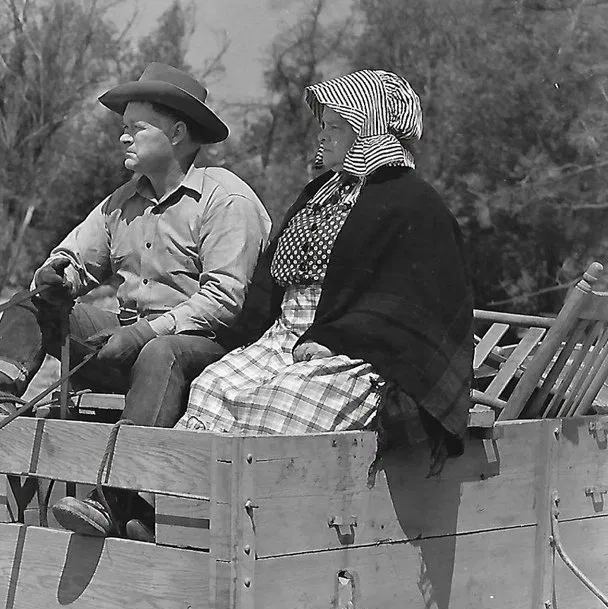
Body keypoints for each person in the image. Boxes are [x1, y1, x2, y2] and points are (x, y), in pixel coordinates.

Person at [0, 62, 272, 541]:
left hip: (204, 356)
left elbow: (225, 301)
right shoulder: (121, 202)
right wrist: (57, 274)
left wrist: (144, 333)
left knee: (161, 352)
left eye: (137, 128)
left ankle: (114, 499)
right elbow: (74, 258)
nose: (124, 138)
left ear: (178, 133)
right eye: (123, 128)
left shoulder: (226, 200)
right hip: (129, 344)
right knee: (33, 299)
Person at [179, 69, 473, 469]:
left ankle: (253, 500)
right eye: (323, 125)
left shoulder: (413, 204)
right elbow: (273, 278)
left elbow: (408, 303)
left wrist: (335, 338)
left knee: (280, 404)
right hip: (284, 336)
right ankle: (182, 499)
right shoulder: (319, 193)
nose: (322, 135)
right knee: (211, 387)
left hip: (363, 353)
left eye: (335, 126)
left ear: (368, 129)